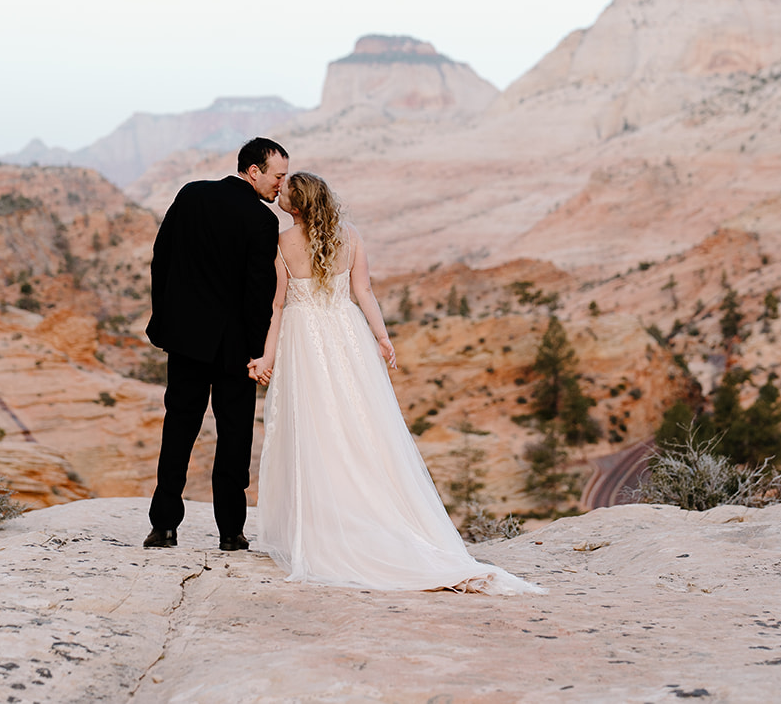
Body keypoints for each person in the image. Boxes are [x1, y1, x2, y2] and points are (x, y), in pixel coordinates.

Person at [250, 172, 542, 594]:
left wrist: (267, 357)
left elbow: (277, 306)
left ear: (296, 204)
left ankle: (324, 524)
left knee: (315, 428)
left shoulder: (281, 243)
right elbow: (365, 291)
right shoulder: (349, 235)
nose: (280, 192)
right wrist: (382, 338)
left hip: (304, 341)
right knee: (361, 424)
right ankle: (364, 515)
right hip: (347, 335)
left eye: (287, 190)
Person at [143, 137, 289, 551]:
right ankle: (230, 532)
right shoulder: (262, 221)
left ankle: (163, 526)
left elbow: (161, 257)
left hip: (186, 340)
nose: (281, 184)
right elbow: (258, 293)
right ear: (254, 171)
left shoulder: (192, 195)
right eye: (278, 176)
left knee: (178, 430)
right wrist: (258, 351)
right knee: (234, 437)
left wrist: (165, 320)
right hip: (235, 349)